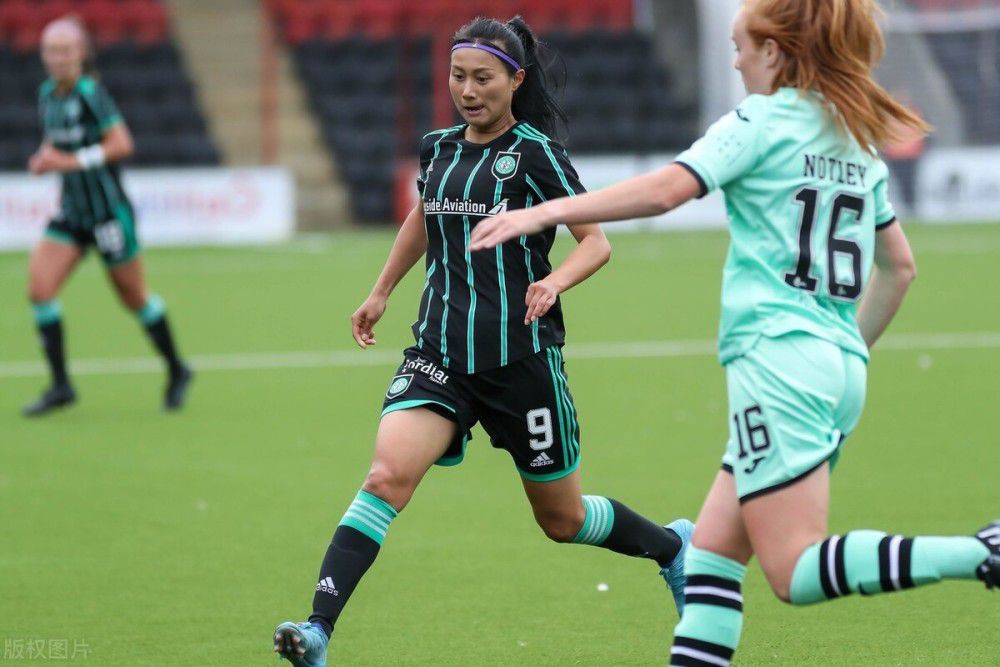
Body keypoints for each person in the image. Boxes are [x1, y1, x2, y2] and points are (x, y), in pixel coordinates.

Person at [470, 1, 999, 664]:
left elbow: (667, 190)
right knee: (715, 559)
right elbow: (900, 268)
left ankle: (982, 551)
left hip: (779, 365)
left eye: (742, 45)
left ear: (775, 53)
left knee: (793, 571)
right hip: (834, 368)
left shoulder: (763, 120)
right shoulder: (851, 135)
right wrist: (841, 351)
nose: (736, 58)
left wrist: (543, 210)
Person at [273, 16, 693, 667]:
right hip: (439, 353)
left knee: (564, 519)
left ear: (514, 80)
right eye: (458, 76)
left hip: (520, 363)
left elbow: (596, 243)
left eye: (482, 78)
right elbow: (423, 214)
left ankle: (670, 547)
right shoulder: (439, 147)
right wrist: (382, 288)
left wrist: (553, 282)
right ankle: (318, 628)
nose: (467, 90)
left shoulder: (535, 154)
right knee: (386, 477)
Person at [24, 16, 192, 416]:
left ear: (80, 53)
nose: (57, 58)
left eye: (65, 50)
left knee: (134, 298)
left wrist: (67, 161)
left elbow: (121, 143)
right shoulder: (47, 94)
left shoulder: (91, 93)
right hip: (72, 213)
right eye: (51, 50)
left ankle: (177, 368)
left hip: (107, 215)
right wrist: (45, 158)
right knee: (40, 289)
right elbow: (57, 140)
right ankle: (61, 386)